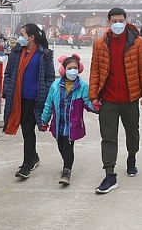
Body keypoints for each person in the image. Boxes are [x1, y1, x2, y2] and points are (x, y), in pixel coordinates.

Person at [88, 8, 142, 194]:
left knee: (132, 132)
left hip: (130, 99)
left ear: (126, 21)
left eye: (121, 20)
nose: (118, 23)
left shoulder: (137, 42)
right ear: (108, 22)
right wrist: (93, 96)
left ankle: (131, 157)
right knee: (108, 137)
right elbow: (95, 71)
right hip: (108, 100)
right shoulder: (100, 44)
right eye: (114, 20)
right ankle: (110, 174)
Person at [2, 23, 55, 179]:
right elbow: (9, 73)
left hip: (35, 99)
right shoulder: (16, 53)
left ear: (31, 37)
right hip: (18, 97)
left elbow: (50, 77)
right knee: (25, 129)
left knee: (27, 129)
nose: (20, 37)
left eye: (22, 35)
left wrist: (46, 95)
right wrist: (7, 91)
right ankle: (34, 156)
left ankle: (26, 165)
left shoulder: (44, 55)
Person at [40, 54, 94, 185]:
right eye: (70, 68)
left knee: (68, 146)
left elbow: (88, 103)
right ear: (63, 69)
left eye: (75, 67)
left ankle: (66, 171)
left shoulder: (82, 86)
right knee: (61, 146)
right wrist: (44, 120)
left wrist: (97, 107)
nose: (73, 70)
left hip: (72, 125)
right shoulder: (55, 85)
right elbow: (48, 104)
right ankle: (67, 162)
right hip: (58, 124)